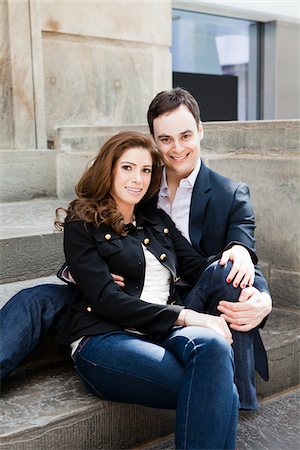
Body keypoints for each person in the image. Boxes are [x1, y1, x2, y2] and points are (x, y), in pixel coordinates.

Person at [0, 89, 271, 410]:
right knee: (36, 299)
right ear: (154, 141)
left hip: (188, 298)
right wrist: (79, 271)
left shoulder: (231, 194)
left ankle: (237, 392)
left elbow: (238, 261)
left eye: (186, 135)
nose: (178, 147)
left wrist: (263, 297)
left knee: (230, 266)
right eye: (166, 139)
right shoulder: (139, 182)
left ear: (201, 130)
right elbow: (92, 234)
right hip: (124, 292)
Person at [55, 130, 240, 450]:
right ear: (108, 169)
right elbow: (107, 301)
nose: (138, 179)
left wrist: (237, 252)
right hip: (105, 338)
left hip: (160, 332)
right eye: (127, 168)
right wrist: (187, 316)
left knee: (213, 348)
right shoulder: (83, 222)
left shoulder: (155, 220)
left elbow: (197, 268)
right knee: (223, 392)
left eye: (145, 170)